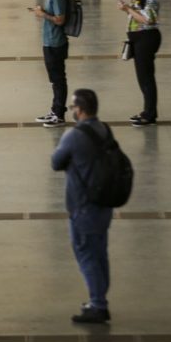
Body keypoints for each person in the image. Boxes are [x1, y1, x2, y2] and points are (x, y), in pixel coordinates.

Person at [51, 88, 114, 324]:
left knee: (86, 254)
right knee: (99, 253)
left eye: (72, 108)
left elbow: (56, 162)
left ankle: (98, 305)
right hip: (103, 203)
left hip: (83, 205)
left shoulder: (74, 135)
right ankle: (99, 298)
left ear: (80, 109)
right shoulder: (104, 129)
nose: (72, 112)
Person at [116, 0, 161, 126]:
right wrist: (127, 8)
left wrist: (128, 10)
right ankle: (147, 111)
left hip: (147, 38)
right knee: (142, 78)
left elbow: (148, 20)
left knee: (147, 78)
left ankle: (150, 114)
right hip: (138, 39)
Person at [29, 0, 69, 127]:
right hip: (49, 41)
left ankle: (59, 114)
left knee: (58, 79)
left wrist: (43, 14)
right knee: (54, 79)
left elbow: (60, 19)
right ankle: (55, 110)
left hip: (55, 42)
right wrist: (42, 11)